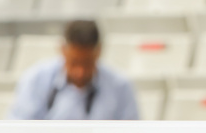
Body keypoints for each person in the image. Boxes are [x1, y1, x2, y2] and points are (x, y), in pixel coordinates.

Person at [7, 20, 140, 120]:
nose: (80, 72)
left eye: (87, 63)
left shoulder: (120, 86)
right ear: (62, 50)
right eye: (74, 62)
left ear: (99, 52)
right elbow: (19, 131)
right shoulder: (35, 80)